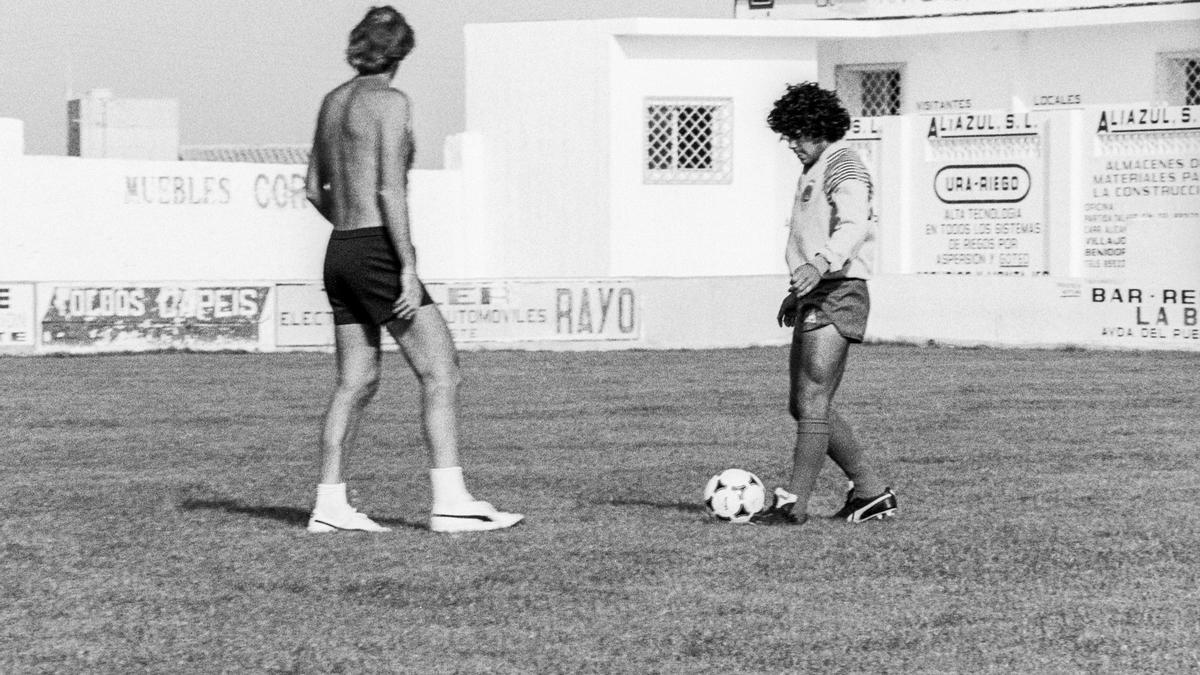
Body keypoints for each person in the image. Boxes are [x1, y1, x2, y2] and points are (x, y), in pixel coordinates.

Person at [304, 6, 522, 534]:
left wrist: (354, 239)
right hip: (379, 249)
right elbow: (389, 189)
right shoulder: (392, 102)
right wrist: (405, 266)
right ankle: (450, 501)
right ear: (402, 53)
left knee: (354, 382)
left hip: (340, 249)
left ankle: (328, 506)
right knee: (441, 371)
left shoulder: (333, 103)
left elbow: (314, 189)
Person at [752, 82, 897, 526]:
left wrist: (819, 264)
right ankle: (870, 493)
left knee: (813, 398)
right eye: (788, 136)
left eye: (798, 134)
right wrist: (799, 287)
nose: (792, 144)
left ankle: (793, 504)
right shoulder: (816, 167)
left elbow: (854, 224)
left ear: (818, 128)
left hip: (839, 289)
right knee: (802, 403)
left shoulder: (843, 162)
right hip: (818, 287)